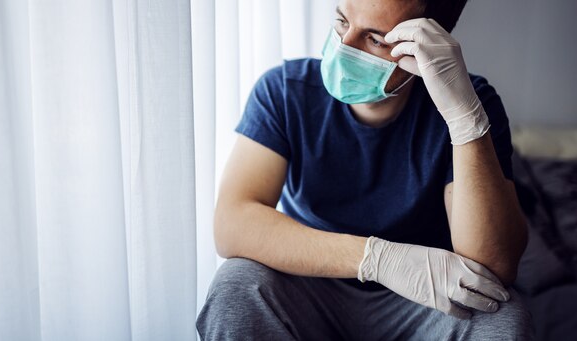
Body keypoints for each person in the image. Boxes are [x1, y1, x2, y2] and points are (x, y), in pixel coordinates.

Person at [196, 0, 533, 339]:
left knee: (503, 315)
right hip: (309, 286)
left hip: (424, 300)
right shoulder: (284, 91)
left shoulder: (470, 104)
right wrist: (379, 259)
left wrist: (463, 117)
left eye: (375, 40)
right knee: (235, 285)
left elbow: (494, 264)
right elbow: (232, 223)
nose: (344, 47)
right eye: (342, 22)